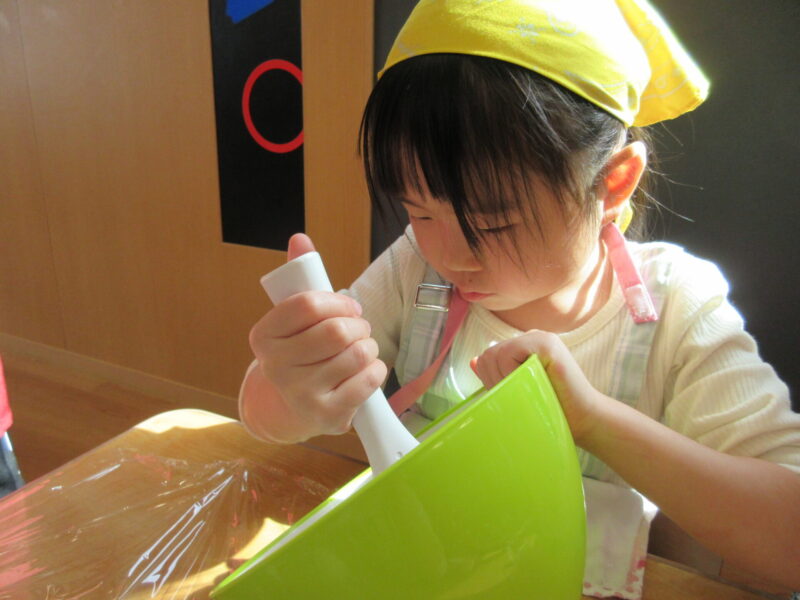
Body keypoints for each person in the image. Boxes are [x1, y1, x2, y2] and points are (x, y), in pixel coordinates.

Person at [240, 0, 800, 594]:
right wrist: (299, 389)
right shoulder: (415, 268)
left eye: (494, 223)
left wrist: (593, 420)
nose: (451, 256)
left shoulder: (677, 307)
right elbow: (262, 413)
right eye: (419, 211)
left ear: (613, 183)